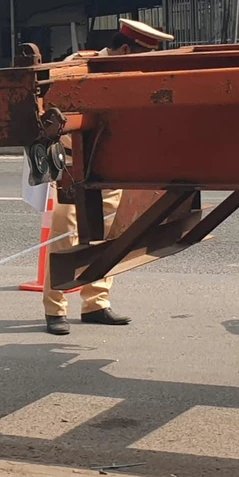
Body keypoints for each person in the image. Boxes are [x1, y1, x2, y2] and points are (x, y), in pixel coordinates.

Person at [44, 19, 174, 336]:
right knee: (65, 237)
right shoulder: (77, 67)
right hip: (72, 168)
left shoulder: (133, 76)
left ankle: (96, 304)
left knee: (109, 236)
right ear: (126, 49)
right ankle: (55, 309)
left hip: (110, 168)